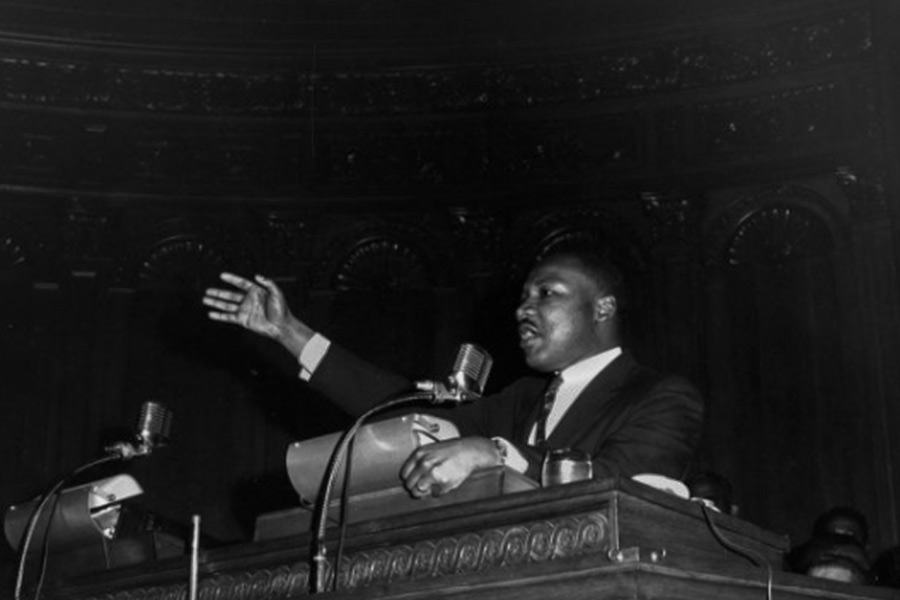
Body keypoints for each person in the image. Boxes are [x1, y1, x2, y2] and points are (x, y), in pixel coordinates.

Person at [202, 248, 704, 499]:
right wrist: (290, 333)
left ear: (603, 308)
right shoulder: (525, 397)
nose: (522, 310)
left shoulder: (660, 395)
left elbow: (621, 484)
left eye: (546, 294)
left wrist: (492, 451)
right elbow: (407, 412)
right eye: (523, 297)